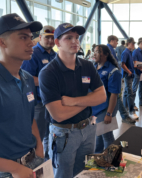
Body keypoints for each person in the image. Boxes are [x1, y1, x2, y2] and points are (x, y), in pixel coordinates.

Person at [0, 13, 44, 178]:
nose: (31, 43)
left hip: (32, 161)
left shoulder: (26, 78)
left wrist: (39, 147)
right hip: (3, 171)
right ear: (1, 42)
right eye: (22, 37)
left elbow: (29, 117)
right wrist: (15, 168)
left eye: (30, 37)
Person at [39, 23, 106, 178]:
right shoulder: (48, 73)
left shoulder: (87, 66)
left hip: (89, 129)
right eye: (68, 38)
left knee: (84, 172)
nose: (75, 41)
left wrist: (73, 101)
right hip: (64, 133)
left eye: (76, 37)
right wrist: (89, 100)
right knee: (63, 174)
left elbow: (102, 97)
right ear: (57, 43)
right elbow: (59, 115)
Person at [21, 25, 57, 160]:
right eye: (47, 37)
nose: (50, 41)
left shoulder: (54, 54)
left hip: (52, 102)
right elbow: (27, 78)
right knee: (38, 135)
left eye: (53, 38)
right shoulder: (33, 53)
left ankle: (47, 159)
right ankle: (35, 162)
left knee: (50, 132)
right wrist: (51, 82)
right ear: (40, 37)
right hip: (38, 103)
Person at [93, 45, 121, 153]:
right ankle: (97, 156)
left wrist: (109, 114)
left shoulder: (113, 71)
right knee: (98, 135)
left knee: (107, 136)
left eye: (97, 52)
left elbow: (114, 94)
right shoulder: (94, 67)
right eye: (94, 51)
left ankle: (111, 159)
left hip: (106, 108)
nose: (94, 54)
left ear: (105, 54)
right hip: (95, 109)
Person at [108, 36, 136, 124]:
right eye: (116, 41)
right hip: (115, 76)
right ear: (111, 41)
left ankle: (124, 114)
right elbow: (120, 63)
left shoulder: (112, 49)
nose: (117, 43)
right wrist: (128, 71)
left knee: (124, 93)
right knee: (121, 94)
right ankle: (126, 114)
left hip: (115, 75)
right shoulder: (110, 49)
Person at [121, 37, 138, 120]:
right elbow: (122, 64)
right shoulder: (126, 52)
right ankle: (131, 111)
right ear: (128, 43)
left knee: (126, 93)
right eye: (133, 43)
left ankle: (125, 110)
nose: (134, 45)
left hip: (130, 75)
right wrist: (129, 72)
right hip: (128, 75)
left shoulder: (130, 52)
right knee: (130, 93)